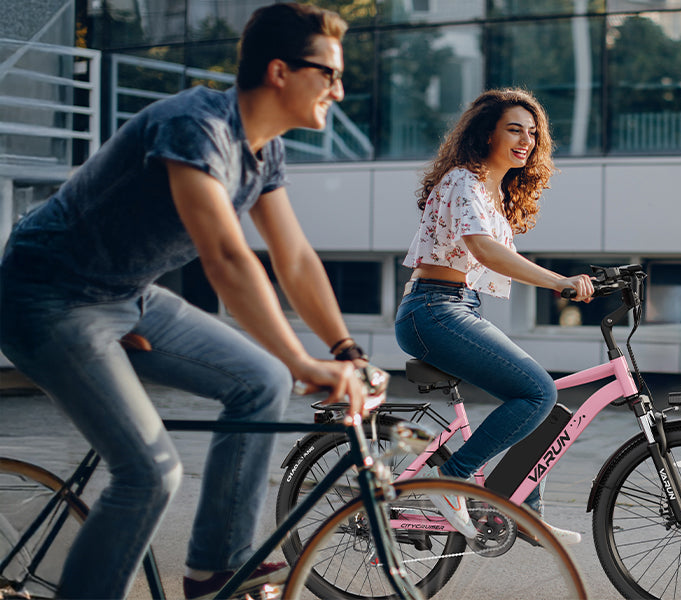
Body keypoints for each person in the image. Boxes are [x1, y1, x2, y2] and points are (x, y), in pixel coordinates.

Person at [0, 4, 372, 599]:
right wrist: (305, 361)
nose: (340, 90)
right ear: (279, 71)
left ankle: (216, 570)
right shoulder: (196, 125)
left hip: (124, 295)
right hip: (46, 298)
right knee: (149, 473)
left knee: (262, 381)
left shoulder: (263, 149)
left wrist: (344, 349)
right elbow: (226, 259)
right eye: (329, 74)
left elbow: (296, 259)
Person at [395, 88, 594, 545]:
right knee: (538, 391)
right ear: (488, 134)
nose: (526, 140)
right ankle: (454, 478)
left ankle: (522, 507)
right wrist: (559, 282)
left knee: (540, 404)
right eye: (514, 130)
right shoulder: (463, 181)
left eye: (533, 133)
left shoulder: (493, 192)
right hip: (433, 309)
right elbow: (485, 251)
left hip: (457, 307)